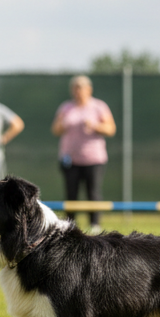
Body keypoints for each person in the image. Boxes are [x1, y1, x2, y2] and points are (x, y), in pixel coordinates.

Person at [50, 75, 115, 232]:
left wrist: (95, 125)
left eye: (81, 88)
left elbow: (111, 129)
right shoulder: (66, 107)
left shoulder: (99, 106)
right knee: (70, 193)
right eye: (75, 88)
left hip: (93, 158)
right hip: (69, 159)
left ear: (89, 89)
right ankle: (69, 226)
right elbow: (55, 130)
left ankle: (94, 225)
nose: (78, 91)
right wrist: (62, 124)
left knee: (93, 192)